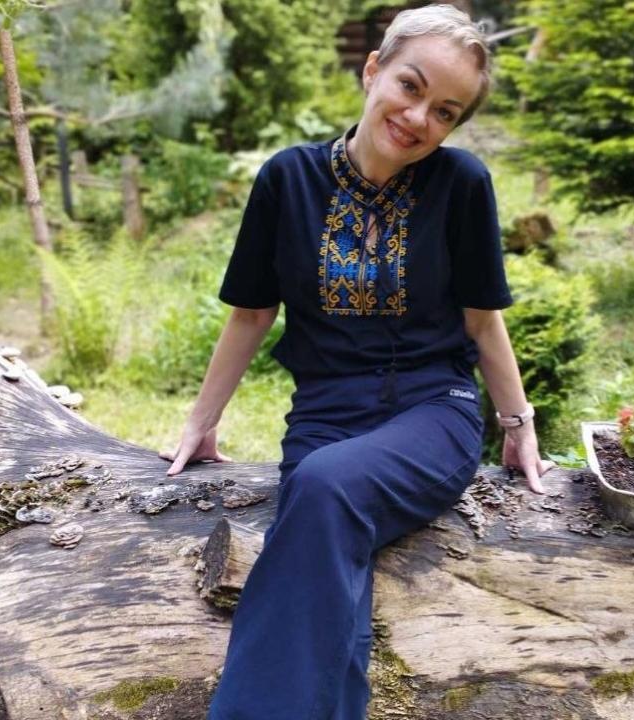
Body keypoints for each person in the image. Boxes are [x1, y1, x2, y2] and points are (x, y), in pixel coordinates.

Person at [161, 5, 555, 719]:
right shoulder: (287, 180)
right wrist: (201, 422)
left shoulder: (461, 184)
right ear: (373, 70)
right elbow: (252, 313)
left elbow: (480, 319)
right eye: (410, 86)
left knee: (322, 488)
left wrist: (517, 423)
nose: (418, 118)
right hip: (323, 419)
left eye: (445, 112)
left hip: (433, 415)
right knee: (327, 551)